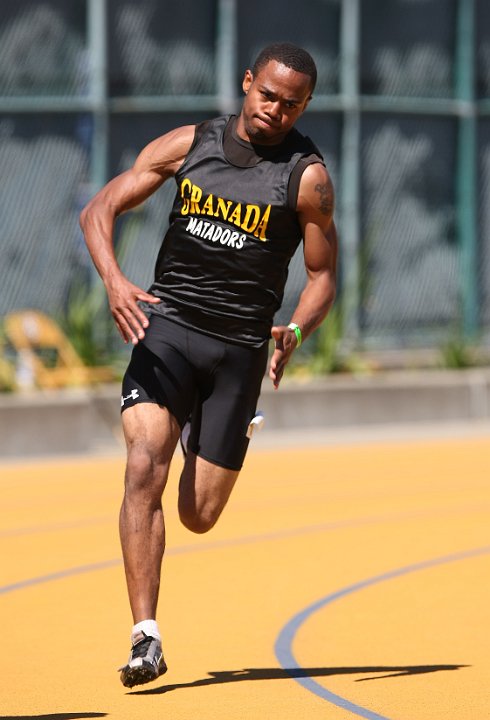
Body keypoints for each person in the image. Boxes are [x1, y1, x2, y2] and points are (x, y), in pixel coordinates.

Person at [79, 42, 337, 688]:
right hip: (167, 328)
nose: (276, 111)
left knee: (198, 515)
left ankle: (213, 424)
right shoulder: (191, 145)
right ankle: (146, 635)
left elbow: (323, 275)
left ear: (305, 107)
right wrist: (114, 280)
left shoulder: (306, 178)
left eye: (292, 104)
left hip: (238, 352)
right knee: (143, 466)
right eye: (268, 95)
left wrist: (298, 327)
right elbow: (99, 209)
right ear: (248, 83)